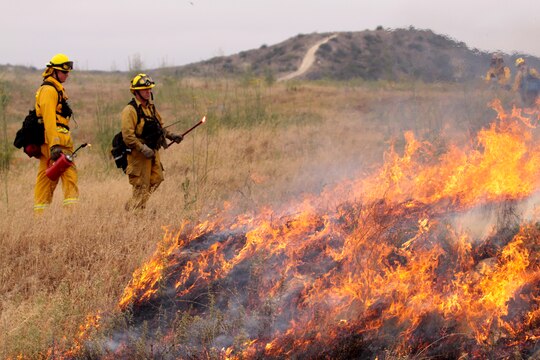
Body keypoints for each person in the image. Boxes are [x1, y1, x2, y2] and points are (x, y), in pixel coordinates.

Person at [121, 73, 184, 211]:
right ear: (136, 91)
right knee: (141, 185)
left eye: (150, 89)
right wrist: (143, 148)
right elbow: (128, 136)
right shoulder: (130, 110)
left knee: (157, 179)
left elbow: (160, 128)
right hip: (138, 155)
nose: (148, 92)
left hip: (152, 152)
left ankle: (134, 206)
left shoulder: (151, 108)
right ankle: (135, 211)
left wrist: (172, 136)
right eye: (145, 89)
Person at [34, 53, 77, 212]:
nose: (66, 75)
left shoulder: (55, 89)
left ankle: (40, 218)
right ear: (53, 71)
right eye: (64, 72)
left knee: (46, 179)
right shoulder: (49, 90)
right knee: (70, 177)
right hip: (56, 143)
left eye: (67, 72)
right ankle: (72, 217)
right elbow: (49, 119)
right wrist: (54, 145)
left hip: (58, 142)